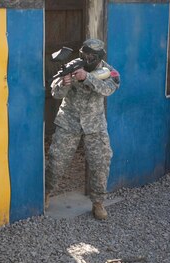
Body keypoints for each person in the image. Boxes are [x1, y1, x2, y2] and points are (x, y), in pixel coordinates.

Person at [45, 39, 120, 220]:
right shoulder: (72, 66)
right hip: (69, 122)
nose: (86, 59)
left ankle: (98, 203)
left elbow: (109, 89)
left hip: (95, 125)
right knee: (57, 161)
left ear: (100, 57)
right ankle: (45, 194)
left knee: (101, 163)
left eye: (91, 57)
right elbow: (55, 93)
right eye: (84, 55)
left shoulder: (109, 71)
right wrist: (65, 82)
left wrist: (87, 78)